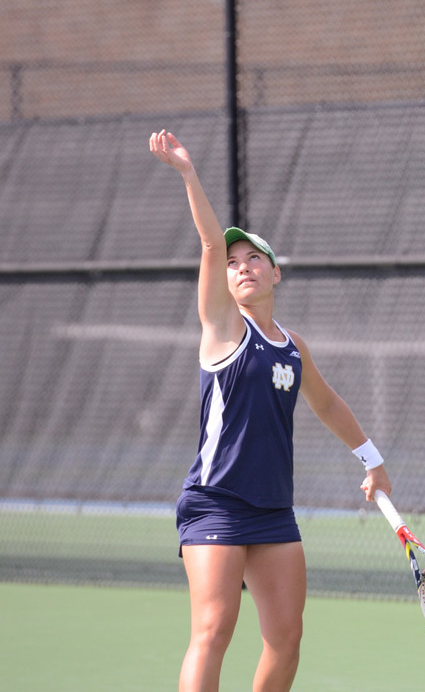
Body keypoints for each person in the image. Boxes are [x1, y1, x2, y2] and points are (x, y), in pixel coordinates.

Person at [149, 129, 391, 692]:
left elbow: (326, 402)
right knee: (213, 630)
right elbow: (209, 245)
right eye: (234, 264)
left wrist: (371, 459)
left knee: (286, 641)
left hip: (273, 510)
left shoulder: (292, 345)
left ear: (276, 273)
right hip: (215, 504)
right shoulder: (222, 327)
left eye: (254, 259)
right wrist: (189, 173)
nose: (242, 268)